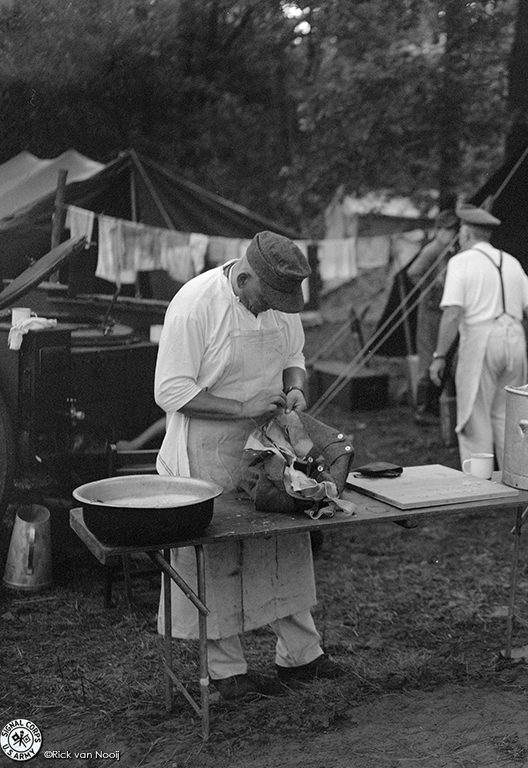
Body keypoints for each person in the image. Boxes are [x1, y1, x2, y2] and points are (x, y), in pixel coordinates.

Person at [154, 231, 342, 701]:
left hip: (268, 445)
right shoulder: (194, 305)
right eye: (267, 299)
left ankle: (301, 655)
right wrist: (243, 408)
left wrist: (295, 388)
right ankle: (226, 670)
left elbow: (294, 358)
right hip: (207, 449)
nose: (273, 308)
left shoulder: (278, 305)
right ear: (242, 279)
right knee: (217, 555)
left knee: (284, 542)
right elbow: (171, 393)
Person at [428, 204, 528, 465]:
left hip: (481, 339)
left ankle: (479, 485)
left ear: (466, 233)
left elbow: (453, 313)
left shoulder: (460, 262)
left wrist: (439, 355)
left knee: (476, 417)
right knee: (508, 416)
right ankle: (513, 479)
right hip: (515, 340)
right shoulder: (511, 262)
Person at [406, 209, 460, 425]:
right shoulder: (433, 249)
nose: (452, 234)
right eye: (448, 230)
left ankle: (437, 406)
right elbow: (413, 272)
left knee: (443, 354)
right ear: (440, 230)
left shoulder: (449, 250)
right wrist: (428, 289)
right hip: (430, 312)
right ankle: (422, 409)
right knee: (429, 357)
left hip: (443, 311)